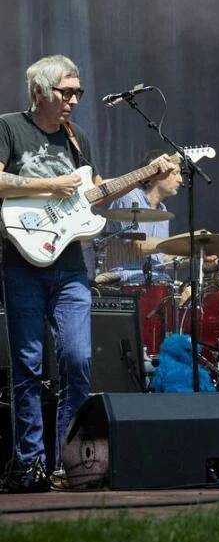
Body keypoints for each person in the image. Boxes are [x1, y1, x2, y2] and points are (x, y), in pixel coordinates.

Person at [0, 55, 178, 492]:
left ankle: (69, 463)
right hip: (20, 261)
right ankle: (30, 463)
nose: (74, 100)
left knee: (78, 360)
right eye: (66, 91)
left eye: (78, 92)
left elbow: (92, 194)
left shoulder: (77, 139)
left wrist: (146, 176)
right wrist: (49, 186)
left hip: (69, 267)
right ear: (40, 92)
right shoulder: (9, 127)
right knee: (26, 364)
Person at [103, 148, 183, 283]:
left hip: (156, 277)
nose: (181, 180)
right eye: (175, 173)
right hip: (127, 277)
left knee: (191, 293)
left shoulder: (163, 210)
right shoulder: (130, 197)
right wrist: (183, 242)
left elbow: (161, 259)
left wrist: (197, 253)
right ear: (157, 174)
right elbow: (139, 245)